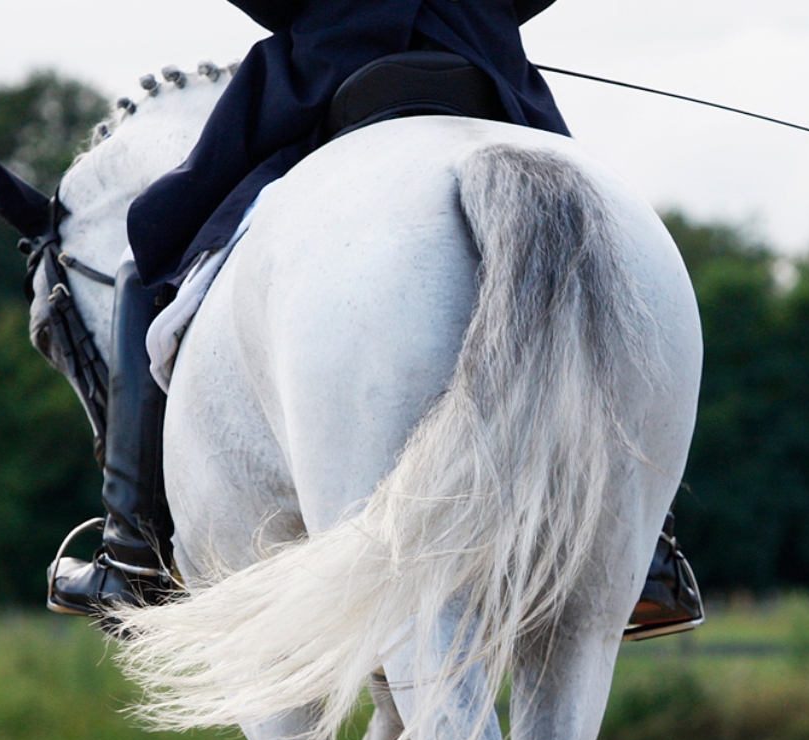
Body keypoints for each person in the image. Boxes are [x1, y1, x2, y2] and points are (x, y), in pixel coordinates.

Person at [51, 0, 705, 640]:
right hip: (487, 70)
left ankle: (132, 554)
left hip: (328, 84)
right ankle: (644, 554)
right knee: (594, 247)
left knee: (150, 254)